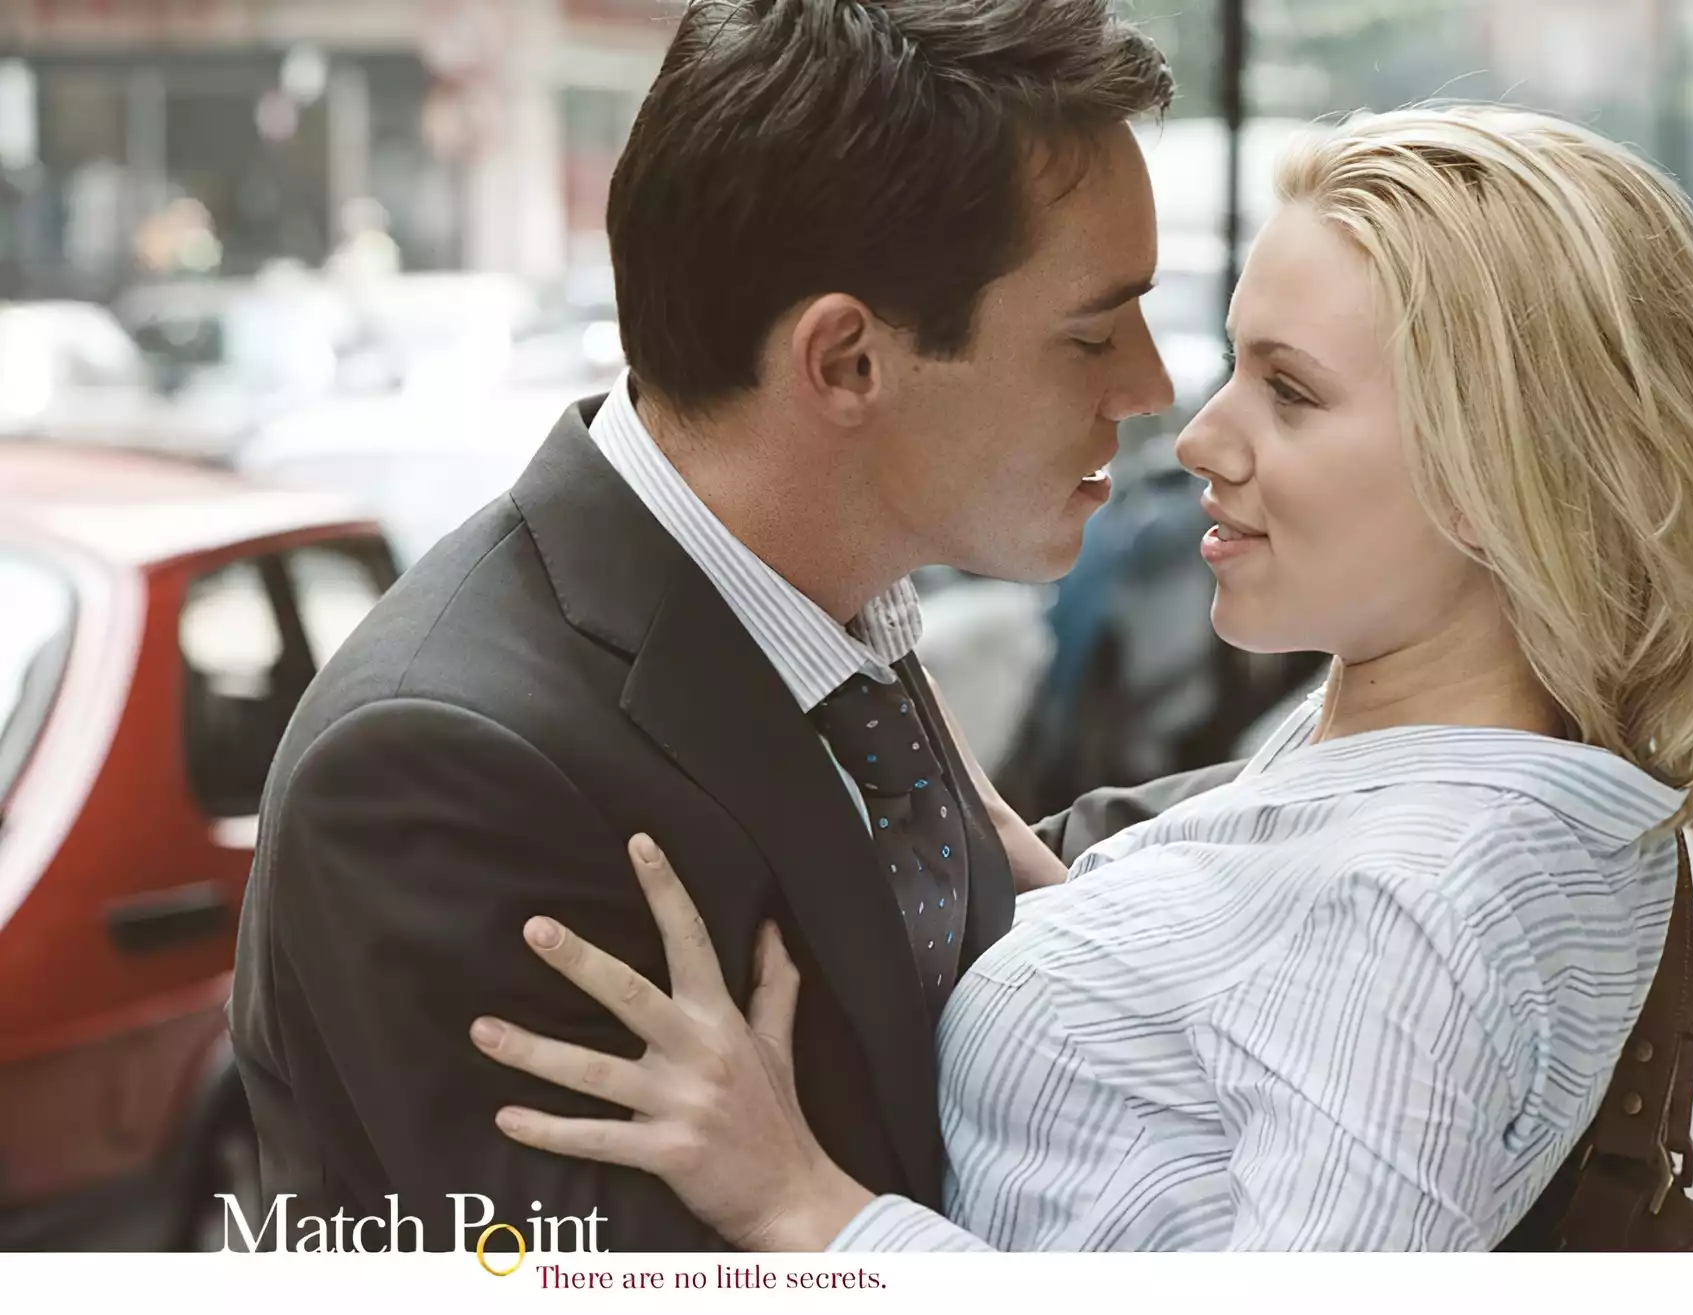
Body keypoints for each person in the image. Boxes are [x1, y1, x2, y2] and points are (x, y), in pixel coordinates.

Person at [469, 103, 1693, 1251]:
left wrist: (806, 1209)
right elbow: (1228, 1031)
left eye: (1291, 392)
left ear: (1498, 475)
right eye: (1237, 365)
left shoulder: (1417, 903)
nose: (1201, 437)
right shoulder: (1417, 754)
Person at [228, 0, 1178, 1250]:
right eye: (1093, 334)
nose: (1151, 386)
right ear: (844, 362)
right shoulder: (440, 768)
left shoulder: (828, 608)